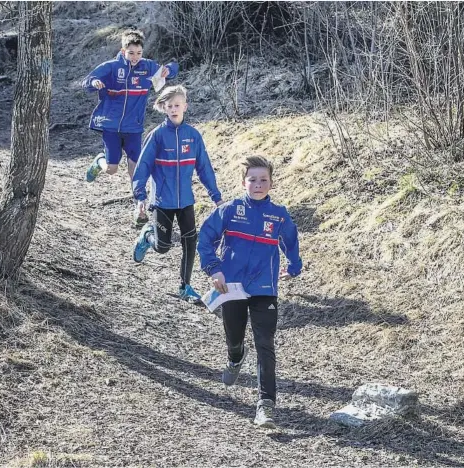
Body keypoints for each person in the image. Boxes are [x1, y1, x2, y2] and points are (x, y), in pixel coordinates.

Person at [197, 155, 302, 429]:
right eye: (252, 179)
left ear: (271, 182)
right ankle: (235, 356)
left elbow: (291, 240)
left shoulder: (279, 214)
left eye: (263, 180)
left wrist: (294, 264)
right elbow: (205, 238)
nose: (258, 184)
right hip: (230, 285)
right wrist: (213, 269)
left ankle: (266, 406)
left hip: (265, 287)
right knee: (234, 335)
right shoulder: (230, 209)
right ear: (243, 182)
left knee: (265, 343)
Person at [132, 85, 223, 303]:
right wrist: (140, 195)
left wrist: (216, 196)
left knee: (190, 242)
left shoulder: (193, 136)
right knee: (163, 247)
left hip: (186, 202)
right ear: (163, 107)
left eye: (177, 105)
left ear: (185, 106)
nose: (174, 109)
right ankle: (147, 235)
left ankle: (185, 286)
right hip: (162, 201)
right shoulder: (157, 136)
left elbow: (204, 168)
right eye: (169, 106)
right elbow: (143, 166)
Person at [83, 29, 179, 225]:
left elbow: (172, 68)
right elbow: (87, 82)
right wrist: (95, 82)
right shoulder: (111, 67)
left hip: (134, 128)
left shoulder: (147, 67)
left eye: (139, 53)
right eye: (131, 53)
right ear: (123, 50)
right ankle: (100, 160)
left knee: (135, 171)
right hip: (110, 126)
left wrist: (170, 69)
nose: (135, 57)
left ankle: (139, 207)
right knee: (111, 169)